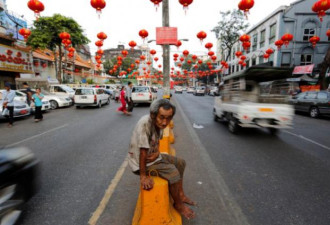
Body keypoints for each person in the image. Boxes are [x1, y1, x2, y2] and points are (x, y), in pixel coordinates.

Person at [128, 99, 196, 220]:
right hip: (141, 163)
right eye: (162, 117)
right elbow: (143, 152)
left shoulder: (158, 124)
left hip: (153, 157)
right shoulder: (145, 124)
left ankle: (180, 194)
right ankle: (178, 204)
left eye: (168, 118)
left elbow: (157, 141)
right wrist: (143, 176)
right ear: (153, 115)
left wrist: (157, 152)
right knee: (173, 173)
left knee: (180, 163)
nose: (165, 122)